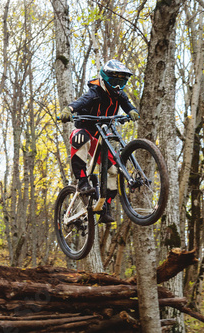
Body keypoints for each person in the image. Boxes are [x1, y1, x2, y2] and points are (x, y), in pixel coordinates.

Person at [59, 59, 140, 223]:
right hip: (87, 130)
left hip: (102, 136)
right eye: (114, 81)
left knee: (114, 170)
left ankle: (105, 206)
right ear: (104, 79)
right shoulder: (95, 92)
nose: (117, 86)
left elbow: (128, 105)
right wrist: (69, 109)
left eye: (121, 82)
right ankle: (82, 181)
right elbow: (82, 101)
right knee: (79, 137)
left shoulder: (119, 94)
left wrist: (132, 111)